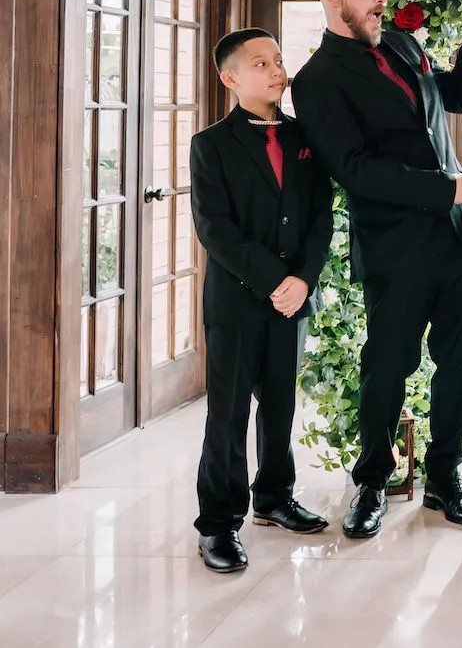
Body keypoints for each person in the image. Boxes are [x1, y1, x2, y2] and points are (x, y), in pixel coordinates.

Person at [290, 0, 462, 539]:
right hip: (394, 244)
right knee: (388, 364)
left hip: (456, 236)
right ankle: (373, 479)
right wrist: (443, 188)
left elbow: (455, 98)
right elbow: (355, 171)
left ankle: (444, 478)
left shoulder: (406, 48)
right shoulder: (315, 81)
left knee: (460, 360)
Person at [190, 29, 333, 573]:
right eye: (260, 64)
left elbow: (321, 214)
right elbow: (215, 229)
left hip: (293, 296)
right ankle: (219, 523)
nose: (276, 70)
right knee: (227, 412)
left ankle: (275, 497)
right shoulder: (210, 144)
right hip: (239, 298)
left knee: (279, 403)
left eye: (277, 60)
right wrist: (277, 280)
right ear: (230, 79)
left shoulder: (304, 138)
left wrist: (303, 280)